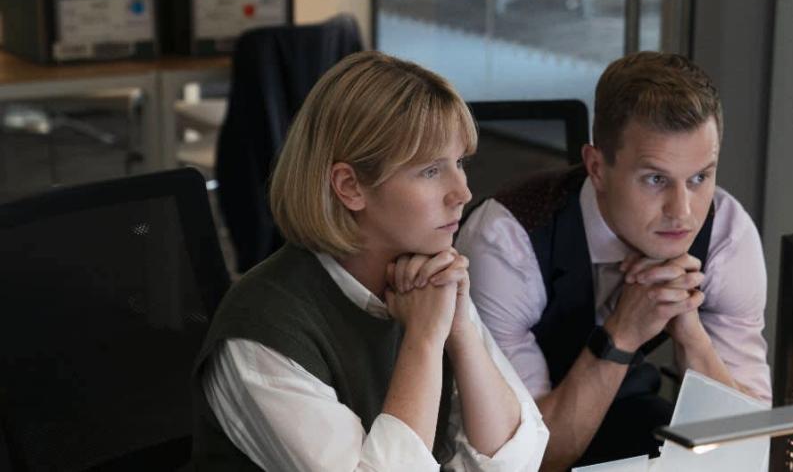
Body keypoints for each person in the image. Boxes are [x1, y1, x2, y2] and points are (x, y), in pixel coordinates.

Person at [192, 51, 548, 471]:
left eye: (460, 163)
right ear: (350, 186)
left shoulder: (426, 277)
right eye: (431, 171)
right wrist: (423, 341)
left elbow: (517, 460)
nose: (463, 192)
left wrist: (462, 331)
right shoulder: (261, 333)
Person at [455, 51, 771, 469]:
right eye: (655, 179)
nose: (684, 212)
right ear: (597, 168)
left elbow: (749, 445)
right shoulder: (507, 241)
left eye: (699, 178)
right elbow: (528, 460)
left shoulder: (726, 234)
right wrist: (621, 334)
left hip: (631, 419)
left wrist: (690, 333)